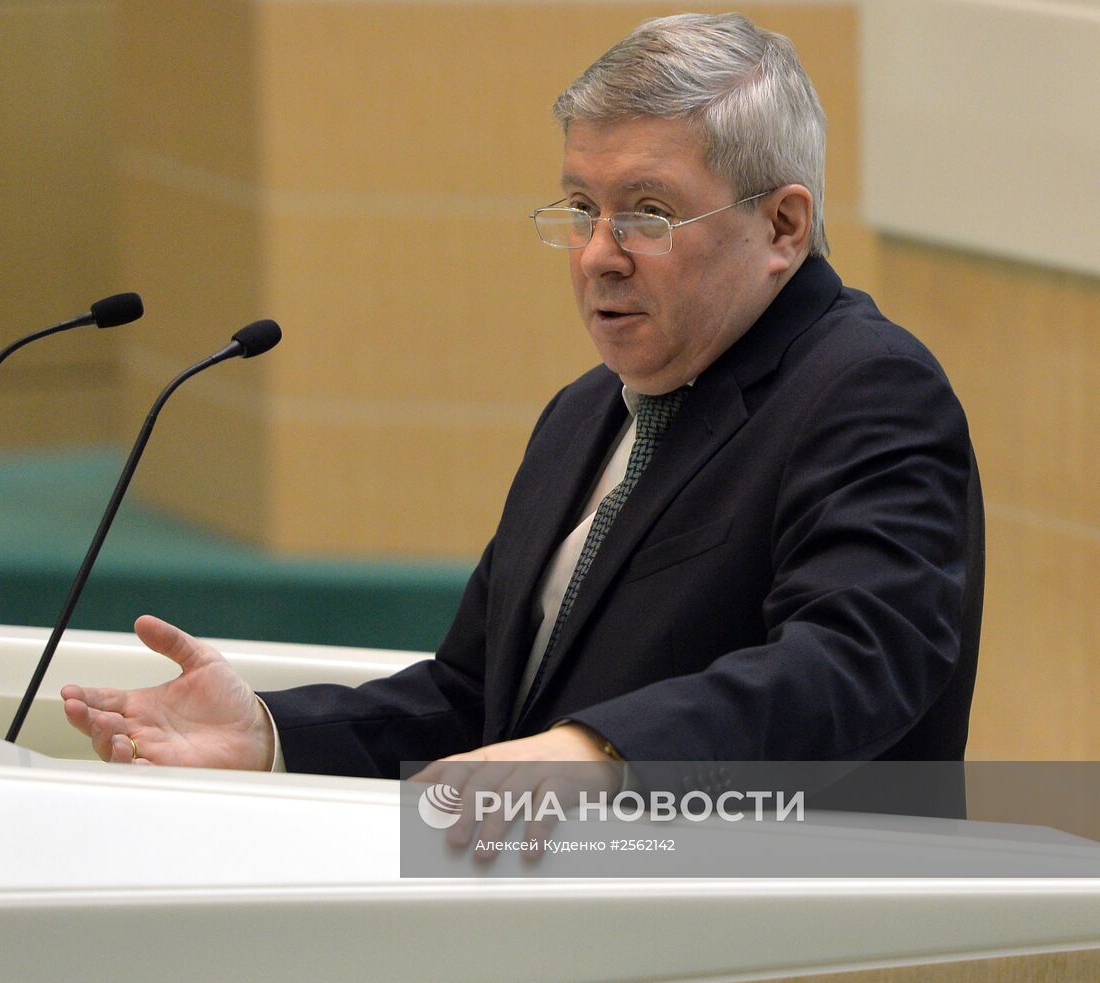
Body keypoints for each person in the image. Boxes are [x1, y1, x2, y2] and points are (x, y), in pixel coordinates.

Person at [62, 13, 981, 785]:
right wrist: (271, 734)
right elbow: (476, 704)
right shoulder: (584, 415)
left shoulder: (868, 390)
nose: (598, 254)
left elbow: (856, 662)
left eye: (649, 213)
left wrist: (597, 754)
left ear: (782, 225)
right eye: (581, 208)